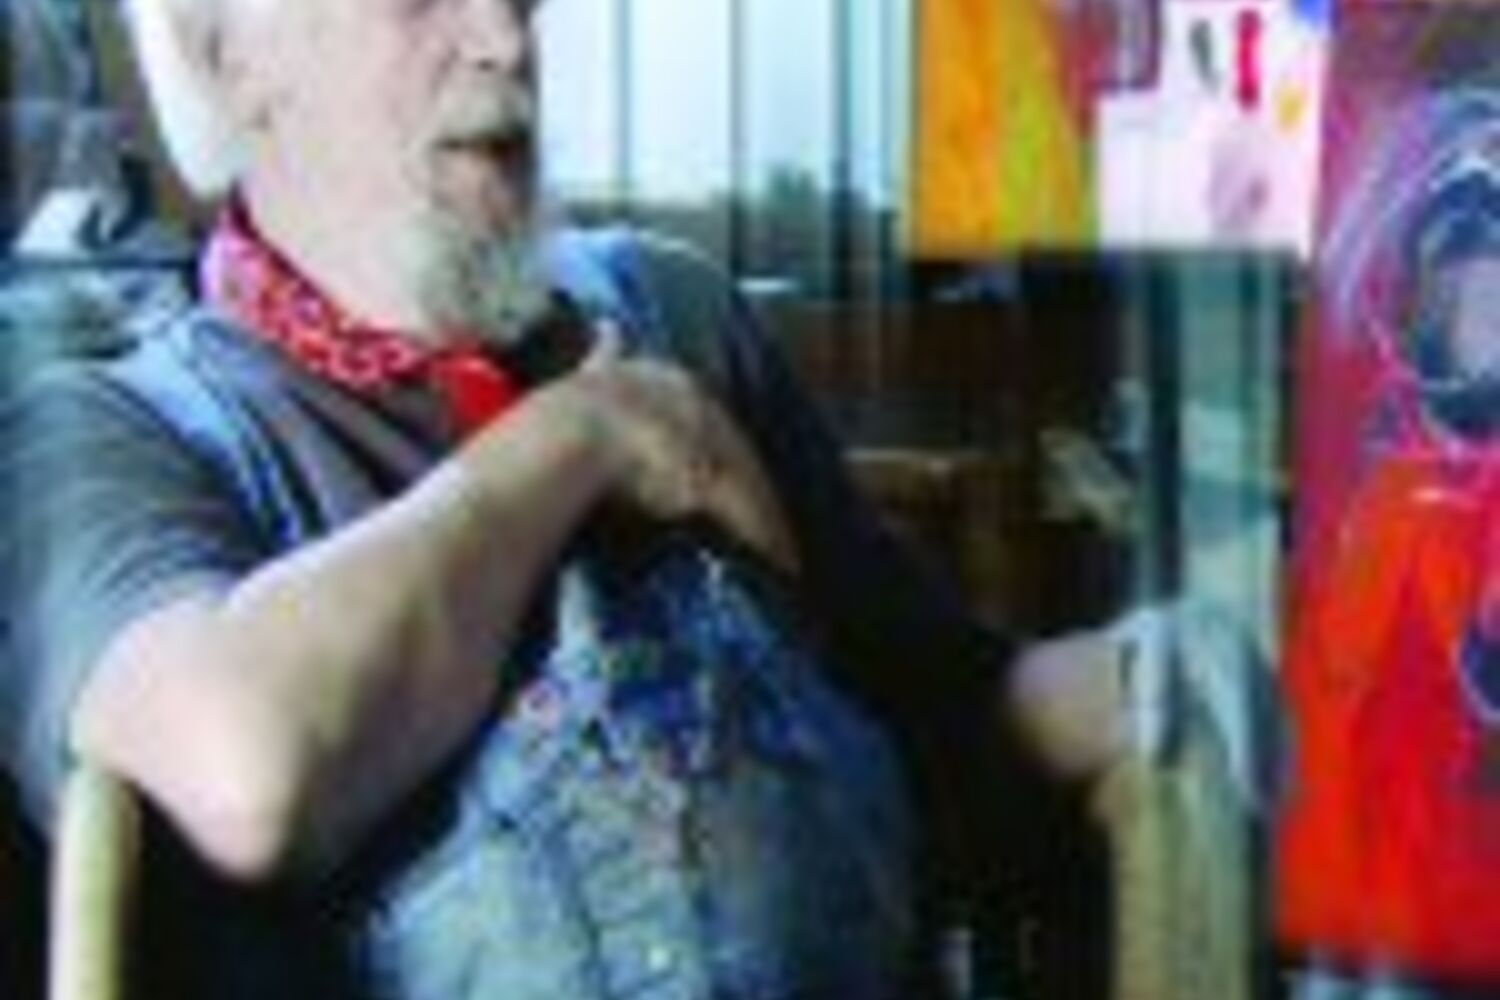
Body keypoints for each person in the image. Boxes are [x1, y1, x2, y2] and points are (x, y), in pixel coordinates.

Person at [0, 0, 1134, 995]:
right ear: (233, 56)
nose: (506, 37)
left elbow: (942, 716)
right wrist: (583, 436)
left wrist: (1167, 673)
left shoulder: (677, 314)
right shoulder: (109, 430)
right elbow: (246, 776)